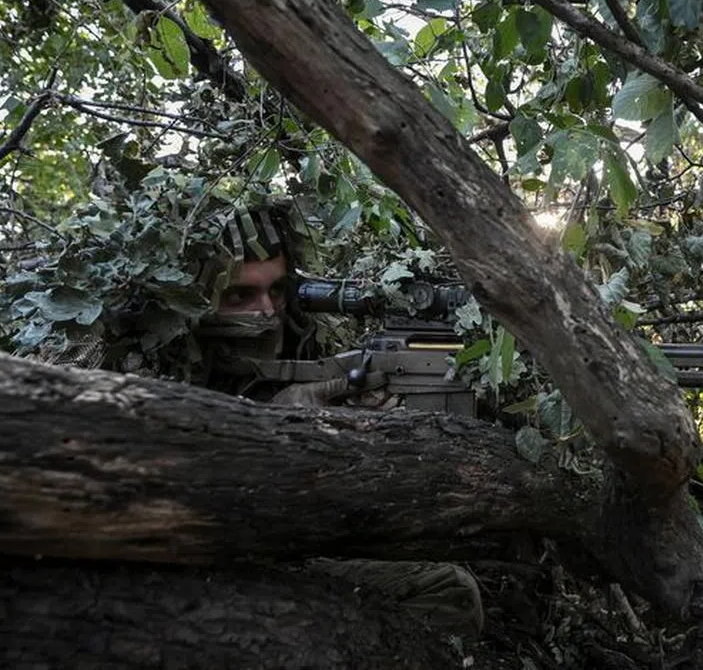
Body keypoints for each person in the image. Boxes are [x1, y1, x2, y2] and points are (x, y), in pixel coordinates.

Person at [196, 203, 486, 634]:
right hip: (201, 565)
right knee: (447, 590)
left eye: (277, 291)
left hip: (284, 541)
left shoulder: (306, 343)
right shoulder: (141, 362)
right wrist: (269, 427)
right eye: (240, 295)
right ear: (196, 298)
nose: (267, 312)